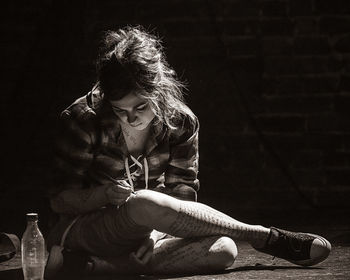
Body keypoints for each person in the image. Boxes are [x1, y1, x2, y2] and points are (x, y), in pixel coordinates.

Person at [45, 26, 331, 277]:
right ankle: (261, 235)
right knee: (144, 202)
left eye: (141, 106)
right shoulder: (83, 118)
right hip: (87, 229)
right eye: (121, 111)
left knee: (224, 250)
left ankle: (92, 267)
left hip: (150, 230)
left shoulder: (181, 121)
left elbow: (183, 196)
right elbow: (60, 201)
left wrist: (156, 234)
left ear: (158, 91)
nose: (131, 118)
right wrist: (104, 194)